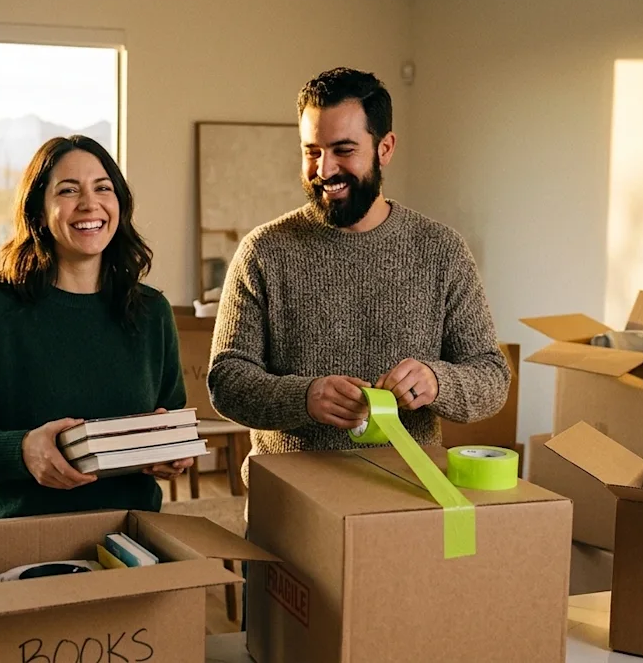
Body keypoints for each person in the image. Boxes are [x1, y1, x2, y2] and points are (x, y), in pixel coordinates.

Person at [208, 67, 512, 492]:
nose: (324, 168)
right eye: (311, 150)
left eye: (343, 150)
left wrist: (436, 381)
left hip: (408, 491)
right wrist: (305, 397)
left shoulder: (441, 250)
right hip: (289, 499)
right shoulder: (264, 251)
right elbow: (227, 381)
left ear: (384, 148)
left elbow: (491, 377)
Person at [0, 135, 193, 521]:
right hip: (20, 538)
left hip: (131, 532)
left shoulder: (152, 312)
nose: (90, 203)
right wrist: (22, 450)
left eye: (103, 188)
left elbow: (169, 414)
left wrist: (169, 451)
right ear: (38, 211)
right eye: (69, 190)